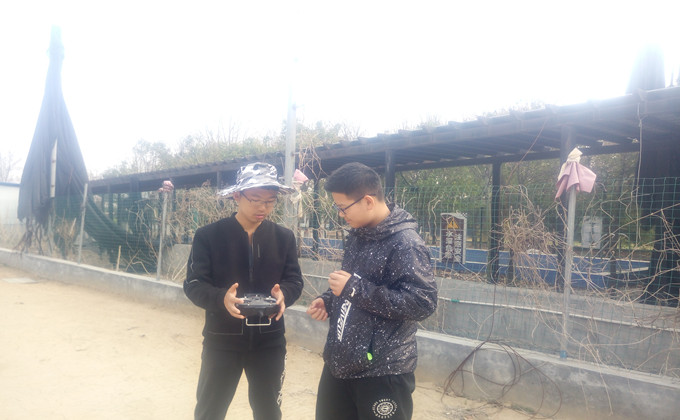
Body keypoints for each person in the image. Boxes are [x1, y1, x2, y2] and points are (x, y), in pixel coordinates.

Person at [307, 162, 438, 420]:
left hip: (382, 371)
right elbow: (353, 284)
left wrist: (353, 289)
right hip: (340, 363)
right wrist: (328, 300)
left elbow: (422, 302)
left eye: (343, 207)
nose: (340, 214)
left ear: (368, 201)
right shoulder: (358, 235)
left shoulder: (405, 244)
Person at [184, 162, 304, 420]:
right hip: (222, 340)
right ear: (237, 196)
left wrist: (284, 293)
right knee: (210, 411)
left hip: (269, 341)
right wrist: (221, 298)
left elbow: (295, 280)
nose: (263, 208)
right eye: (256, 200)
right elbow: (193, 284)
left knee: (269, 411)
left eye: (270, 201)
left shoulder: (284, 237)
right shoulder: (208, 236)